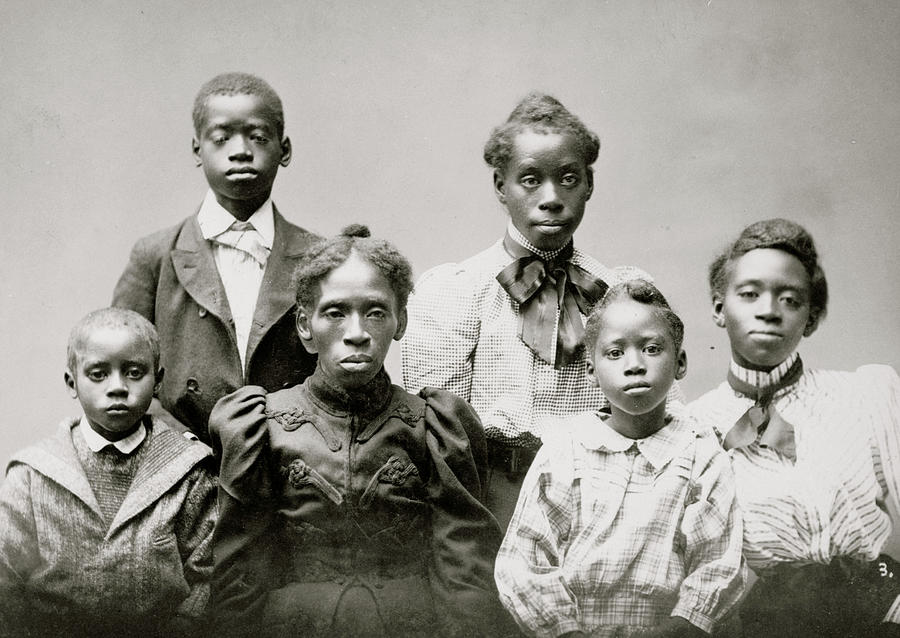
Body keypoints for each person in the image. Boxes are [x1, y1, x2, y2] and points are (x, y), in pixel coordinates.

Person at [209, 225, 510, 637]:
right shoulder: (261, 426)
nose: (356, 333)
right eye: (335, 312)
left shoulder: (434, 426)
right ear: (304, 325)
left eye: (375, 312)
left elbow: (464, 575)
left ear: (400, 321)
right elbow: (240, 572)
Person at [401, 92, 679, 529]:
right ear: (500, 185)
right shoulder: (457, 292)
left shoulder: (621, 294)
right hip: (493, 498)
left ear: (590, 183)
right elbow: (435, 432)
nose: (551, 197)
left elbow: (664, 412)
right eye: (530, 179)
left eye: (568, 179)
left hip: (607, 494)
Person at [686, 218, 900, 637]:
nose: (768, 310)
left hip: (880, 607)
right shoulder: (694, 427)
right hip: (770, 620)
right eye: (749, 295)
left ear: (812, 318)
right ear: (719, 308)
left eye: (790, 299)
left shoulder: (865, 395)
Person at [495, 281, 746, 638]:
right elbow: (523, 560)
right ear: (591, 370)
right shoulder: (565, 449)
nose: (634, 365)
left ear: (680, 363)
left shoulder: (701, 453)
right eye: (614, 353)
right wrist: (564, 631)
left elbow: (718, 563)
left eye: (652, 348)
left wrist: (680, 627)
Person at [112, 72, 318, 444]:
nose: (240, 150)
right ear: (197, 150)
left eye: (257, 136)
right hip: (182, 466)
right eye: (222, 138)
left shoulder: (321, 258)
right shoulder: (154, 256)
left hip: (293, 468)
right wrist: (181, 448)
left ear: (284, 149)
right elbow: (120, 373)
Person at [0, 308, 217, 637]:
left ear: (157, 381)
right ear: (72, 382)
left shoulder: (188, 470)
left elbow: (207, 577)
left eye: (133, 372)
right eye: (98, 374)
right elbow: (7, 584)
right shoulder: (31, 475)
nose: (117, 387)